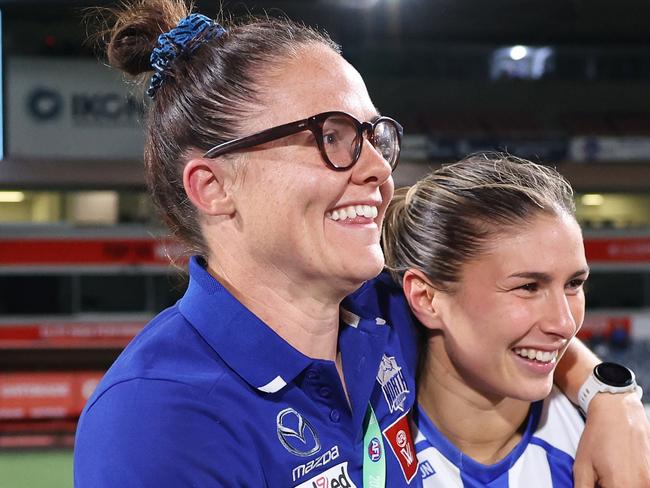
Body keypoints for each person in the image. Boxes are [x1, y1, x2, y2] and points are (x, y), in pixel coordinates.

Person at [75, 1, 650, 487]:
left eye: (375, 137)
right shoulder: (156, 419)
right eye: (333, 137)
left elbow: (537, 329)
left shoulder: (387, 312)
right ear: (214, 187)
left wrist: (611, 400)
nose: (378, 167)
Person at [382, 154, 588, 486]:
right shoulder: (353, 450)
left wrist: (614, 401)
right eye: (528, 287)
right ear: (427, 298)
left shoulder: (605, 447)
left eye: (574, 284)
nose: (564, 324)